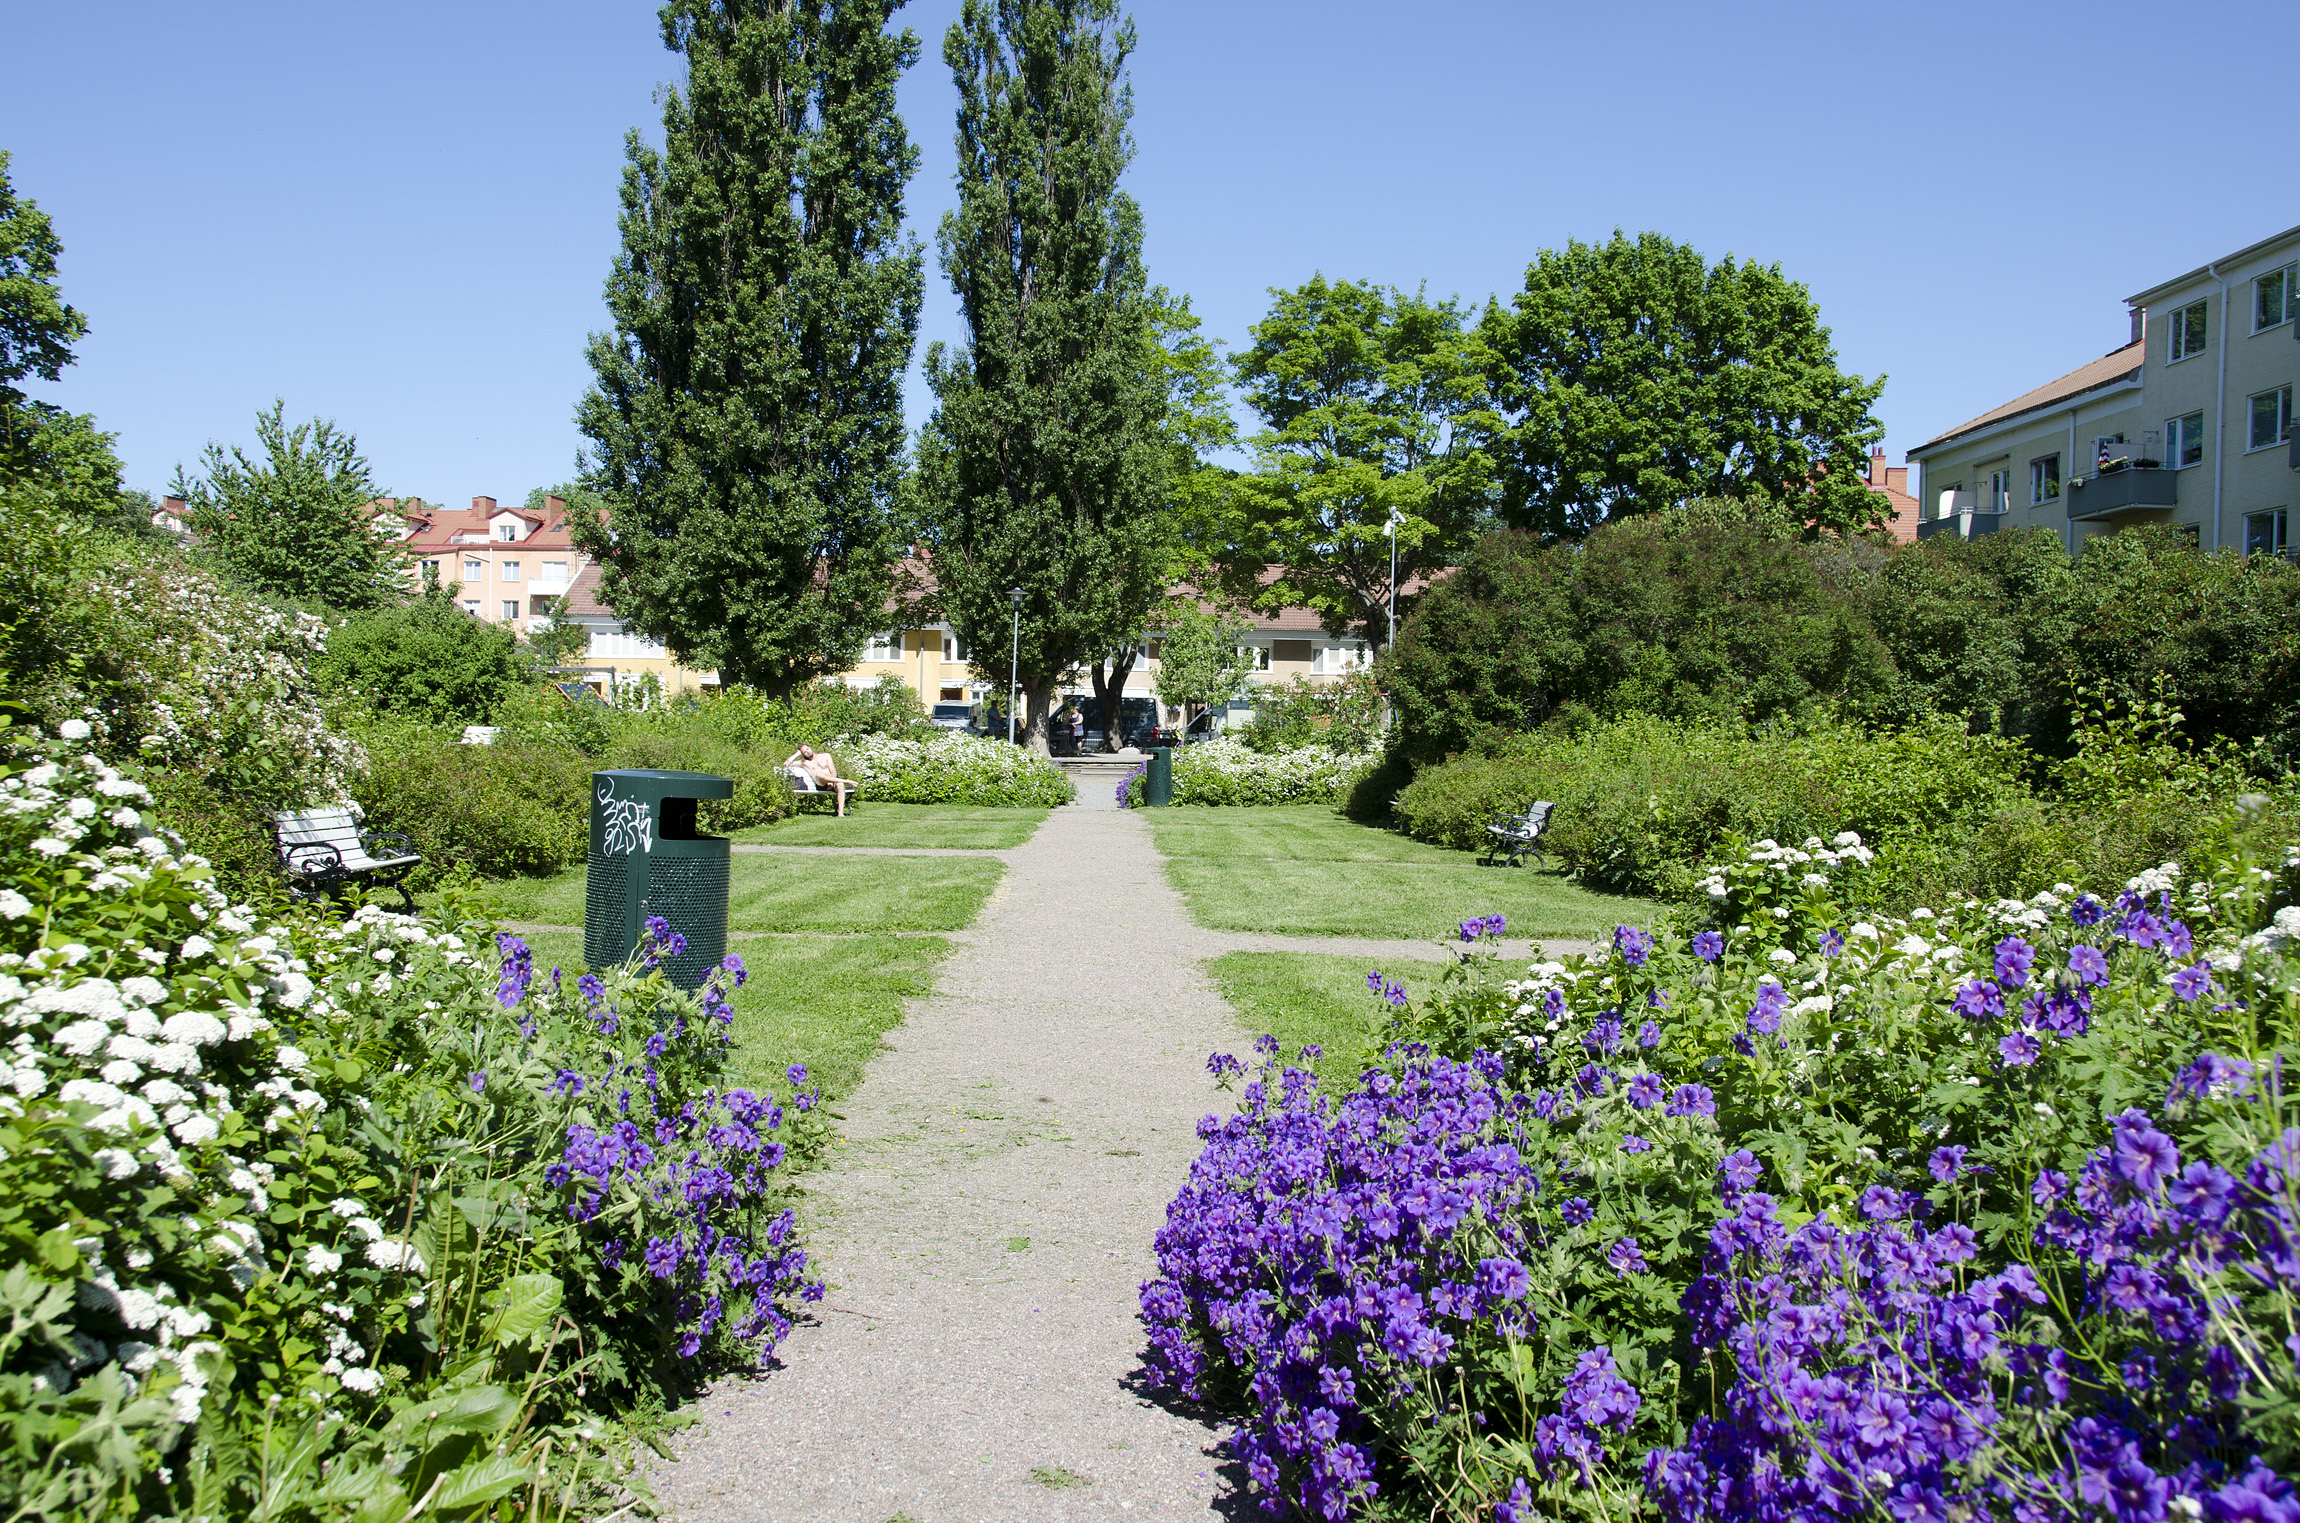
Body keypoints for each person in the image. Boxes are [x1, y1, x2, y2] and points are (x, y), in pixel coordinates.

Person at [781, 744, 857, 817]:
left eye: (807, 749)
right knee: (818, 775)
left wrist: (831, 783)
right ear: (803, 754)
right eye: (804, 752)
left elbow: (833, 771)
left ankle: (840, 813)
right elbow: (785, 764)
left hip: (832, 782)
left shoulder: (826, 756)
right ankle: (847, 781)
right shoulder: (803, 762)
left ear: (810, 747)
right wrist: (797, 754)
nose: (807, 752)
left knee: (840, 785)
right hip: (821, 784)